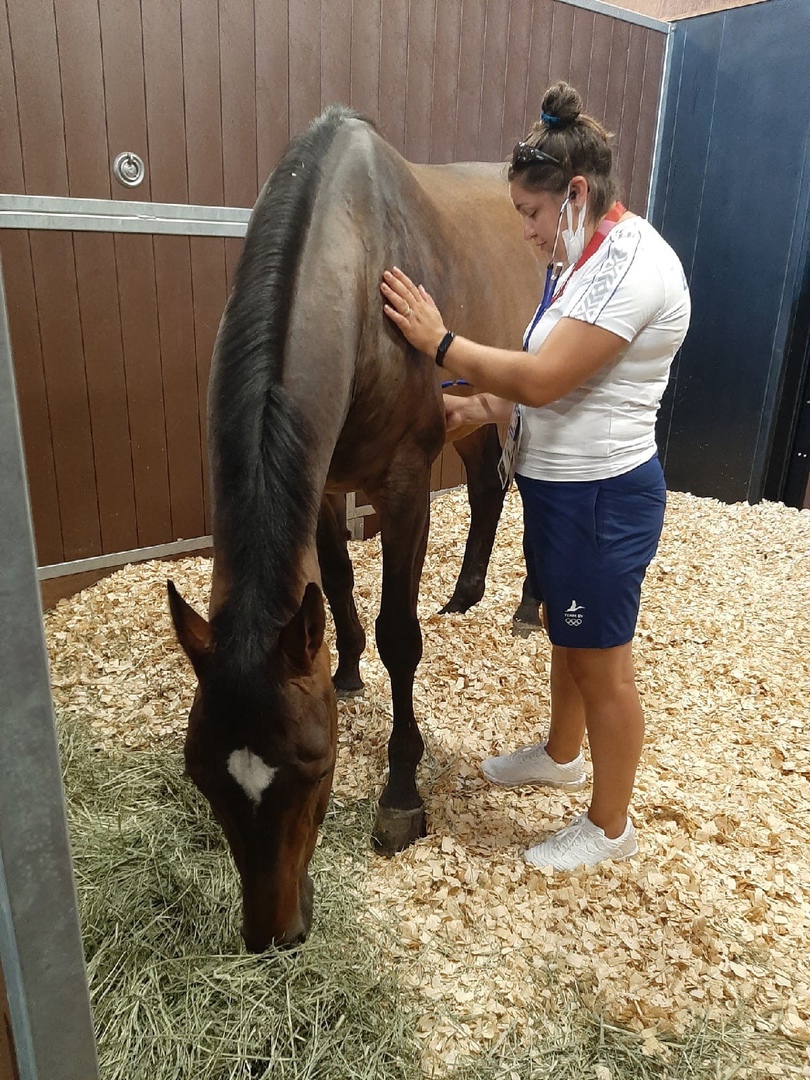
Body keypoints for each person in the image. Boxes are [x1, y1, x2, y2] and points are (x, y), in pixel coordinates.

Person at [380, 81, 690, 872]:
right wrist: (484, 404)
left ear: (576, 194)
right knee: (567, 633)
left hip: (601, 498)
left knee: (601, 660)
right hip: (560, 491)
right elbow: (562, 384)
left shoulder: (633, 266)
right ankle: (561, 754)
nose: (524, 230)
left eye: (530, 212)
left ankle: (610, 828)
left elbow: (548, 379)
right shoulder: (579, 259)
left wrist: (440, 342)